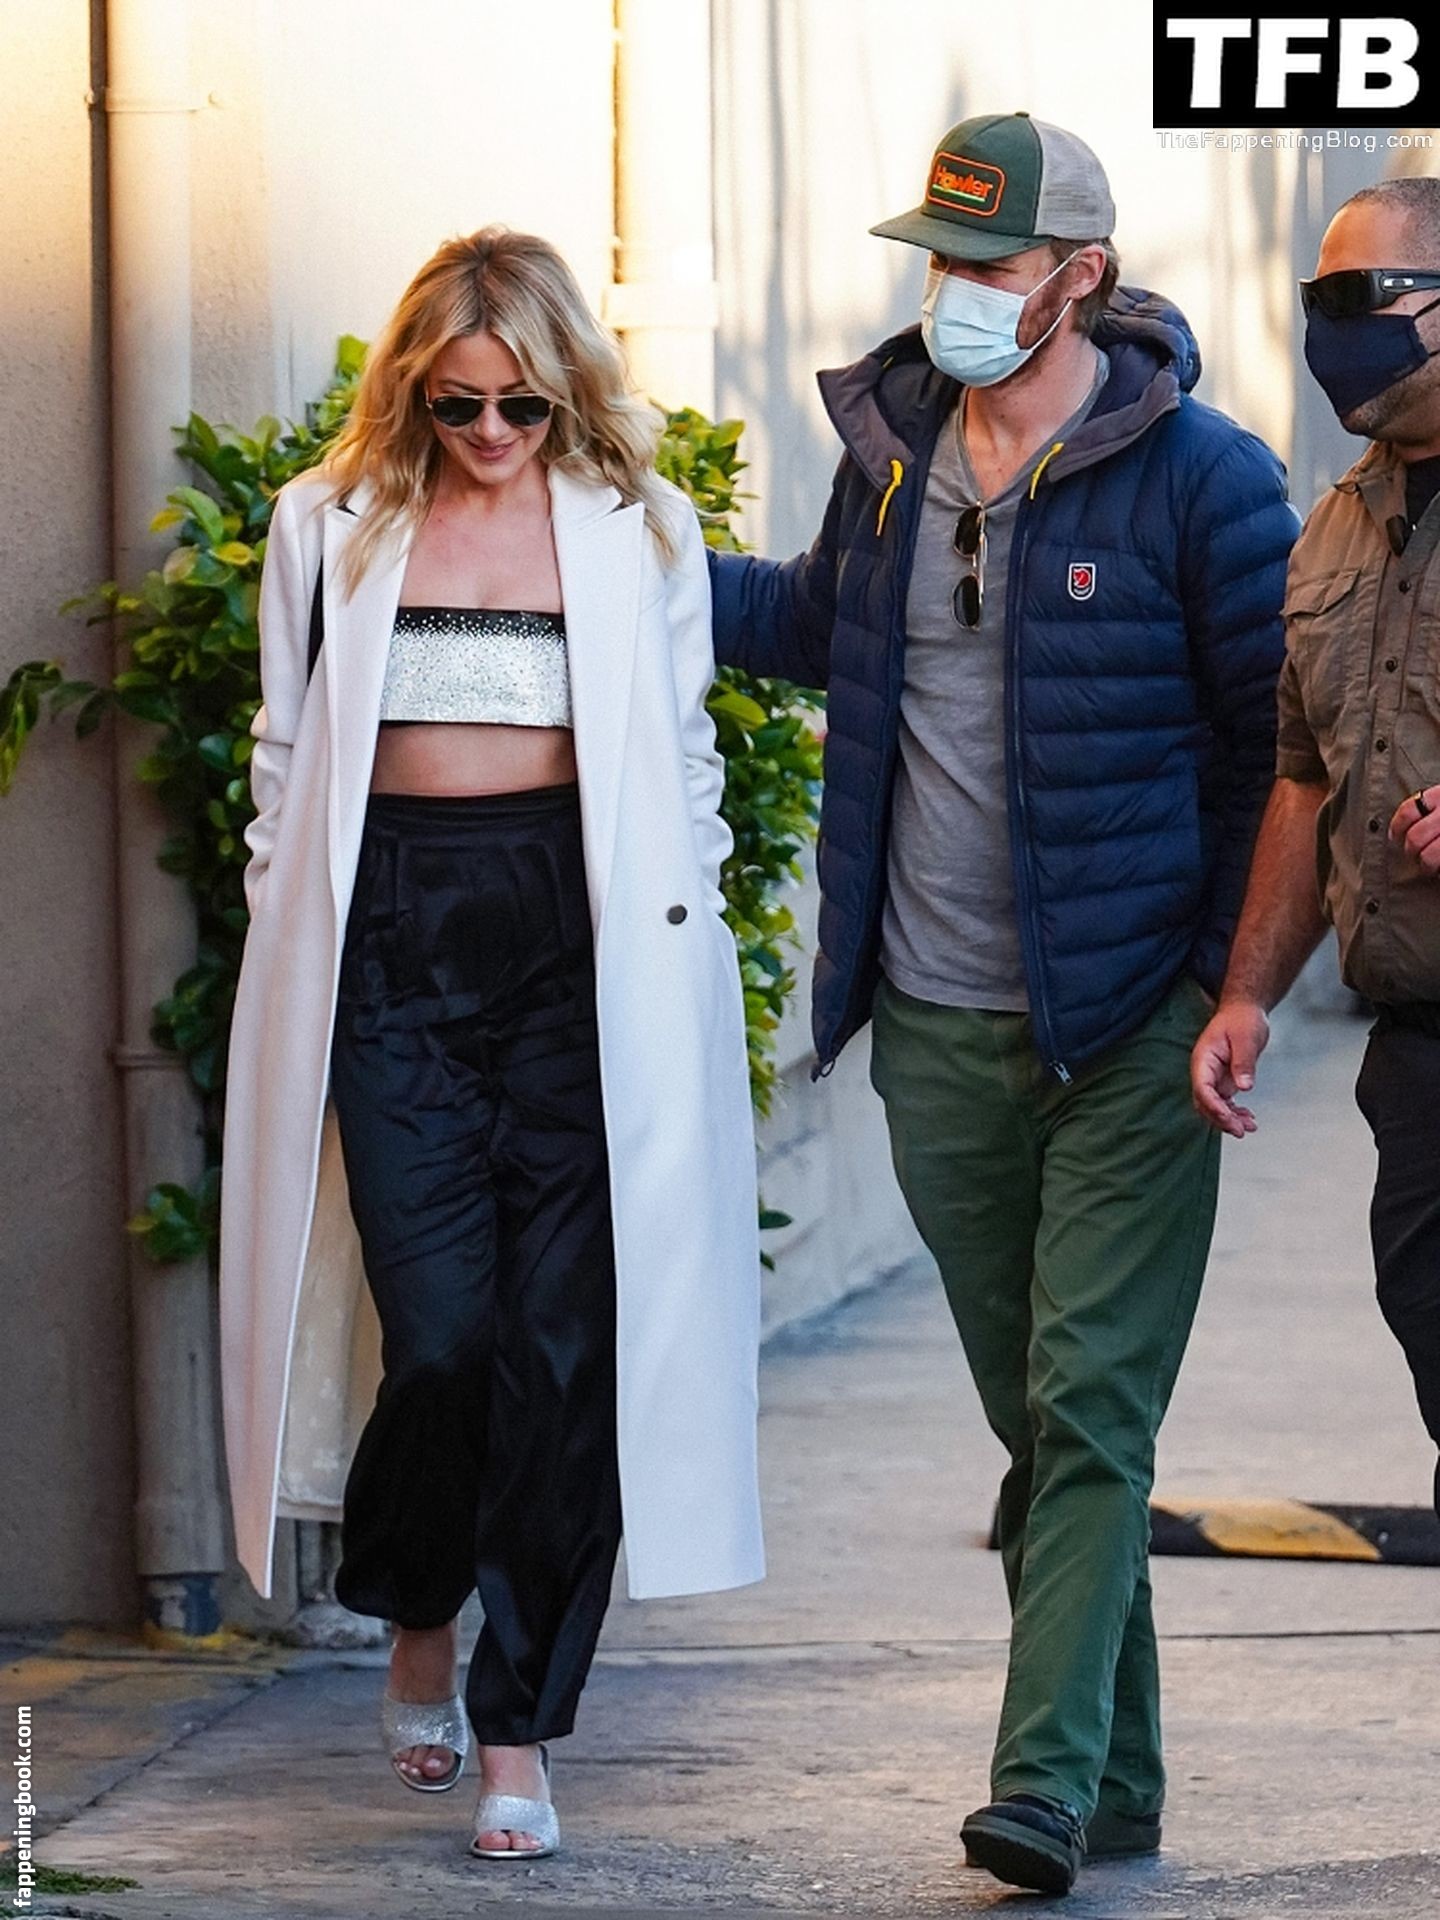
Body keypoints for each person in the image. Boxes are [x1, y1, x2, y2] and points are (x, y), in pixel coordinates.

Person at [708, 111, 1295, 1895]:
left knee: (1092, 1407)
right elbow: (815, 624)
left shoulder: (1207, 479)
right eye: (940, 259)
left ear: (1080, 280)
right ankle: (1122, 1782)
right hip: (938, 1027)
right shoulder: (890, 461)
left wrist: (1228, 985)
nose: (951, 291)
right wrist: (616, 552)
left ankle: (1036, 1789)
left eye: (989, 263)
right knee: (1040, 1423)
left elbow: (1280, 749)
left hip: (1134, 1028)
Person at [218, 226, 764, 1864]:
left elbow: (680, 764)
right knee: (443, 1335)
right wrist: (286, 921)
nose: (491, 435)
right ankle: (413, 1608)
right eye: (458, 405)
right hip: (389, 941)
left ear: (567, 390)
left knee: (563, 1355)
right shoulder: (327, 522)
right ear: (412, 390)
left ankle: (519, 1726)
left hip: (573, 954)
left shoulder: (637, 526)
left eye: (521, 406)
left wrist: (688, 955)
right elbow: (282, 756)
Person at [1192, 175, 1440, 1523]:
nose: (1329, 330)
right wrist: (1249, 993)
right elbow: (1303, 779)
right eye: (1316, 299)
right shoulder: (1338, 520)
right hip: (1418, 1049)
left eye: (1361, 297)